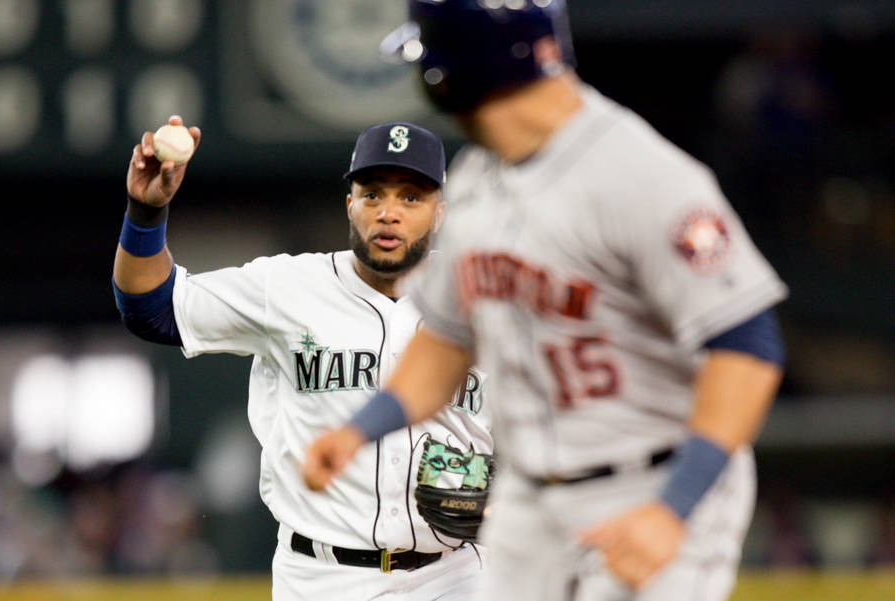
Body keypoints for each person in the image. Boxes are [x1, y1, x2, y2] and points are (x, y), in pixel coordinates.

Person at [303, 2, 788, 600]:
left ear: (459, 70)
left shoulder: (642, 176)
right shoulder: (481, 179)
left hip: (657, 482)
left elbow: (748, 348)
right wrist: (357, 431)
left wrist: (673, 508)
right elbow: (448, 340)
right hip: (529, 497)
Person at [112, 116, 493, 600]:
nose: (388, 213)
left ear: (440, 212)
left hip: (455, 576)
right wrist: (146, 213)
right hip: (320, 577)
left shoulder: (488, 295)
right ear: (349, 203)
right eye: (373, 194)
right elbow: (151, 309)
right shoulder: (288, 287)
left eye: (411, 197)